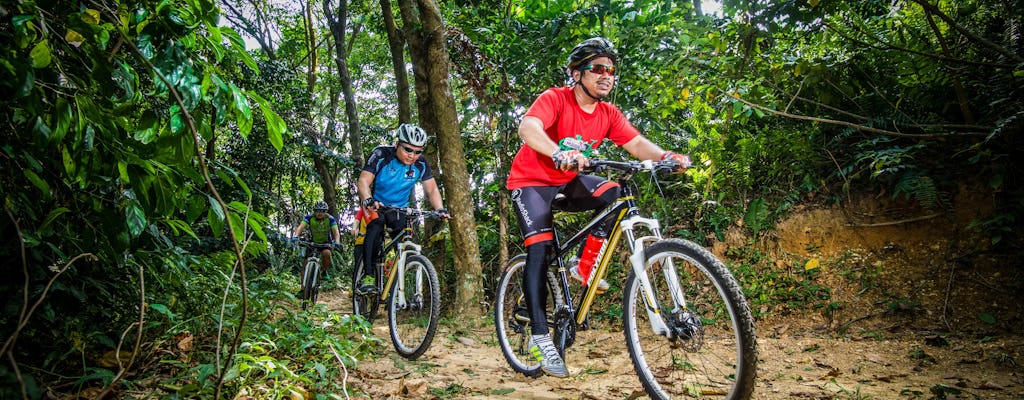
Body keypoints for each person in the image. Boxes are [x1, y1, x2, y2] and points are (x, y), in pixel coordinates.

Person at [506, 37, 691, 378]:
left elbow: (635, 143)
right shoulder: (555, 98)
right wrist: (558, 152)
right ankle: (539, 335)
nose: (607, 75)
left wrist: (666, 156)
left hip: (568, 181)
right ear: (577, 74)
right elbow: (528, 127)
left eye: (611, 70)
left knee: (616, 193)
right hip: (531, 182)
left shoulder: (607, 113)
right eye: (598, 69)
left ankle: (585, 266)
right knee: (540, 249)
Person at [356, 123, 450, 294]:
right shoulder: (381, 154)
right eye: (408, 149)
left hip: (399, 209)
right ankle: (368, 275)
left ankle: (397, 287)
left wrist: (440, 209)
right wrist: (368, 199)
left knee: (404, 241)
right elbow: (363, 181)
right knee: (375, 227)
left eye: (417, 151)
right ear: (397, 144)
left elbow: (432, 189)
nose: (412, 155)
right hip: (377, 204)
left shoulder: (420, 163)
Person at [292, 201, 341, 280]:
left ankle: (324, 271)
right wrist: (296, 236)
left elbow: (336, 232)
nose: (320, 213)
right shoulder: (309, 217)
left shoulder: (330, 219)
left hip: (325, 243)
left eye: (322, 211)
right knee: (305, 264)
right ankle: (303, 289)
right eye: (317, 211)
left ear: (326, 212)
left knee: (327, 253)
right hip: (311, 243)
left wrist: (337, 241)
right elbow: (301, 226)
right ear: (314, 211)